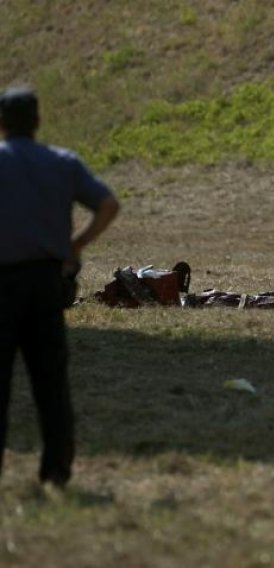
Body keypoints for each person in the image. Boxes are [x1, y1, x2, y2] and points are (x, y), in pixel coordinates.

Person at [0, 87, 119, 487]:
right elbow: (107, 204)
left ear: (1, 123)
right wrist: (77, 244)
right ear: (37, 122)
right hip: (47, 281)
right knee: (50, 380)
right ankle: (56, 470)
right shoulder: (62, 162)